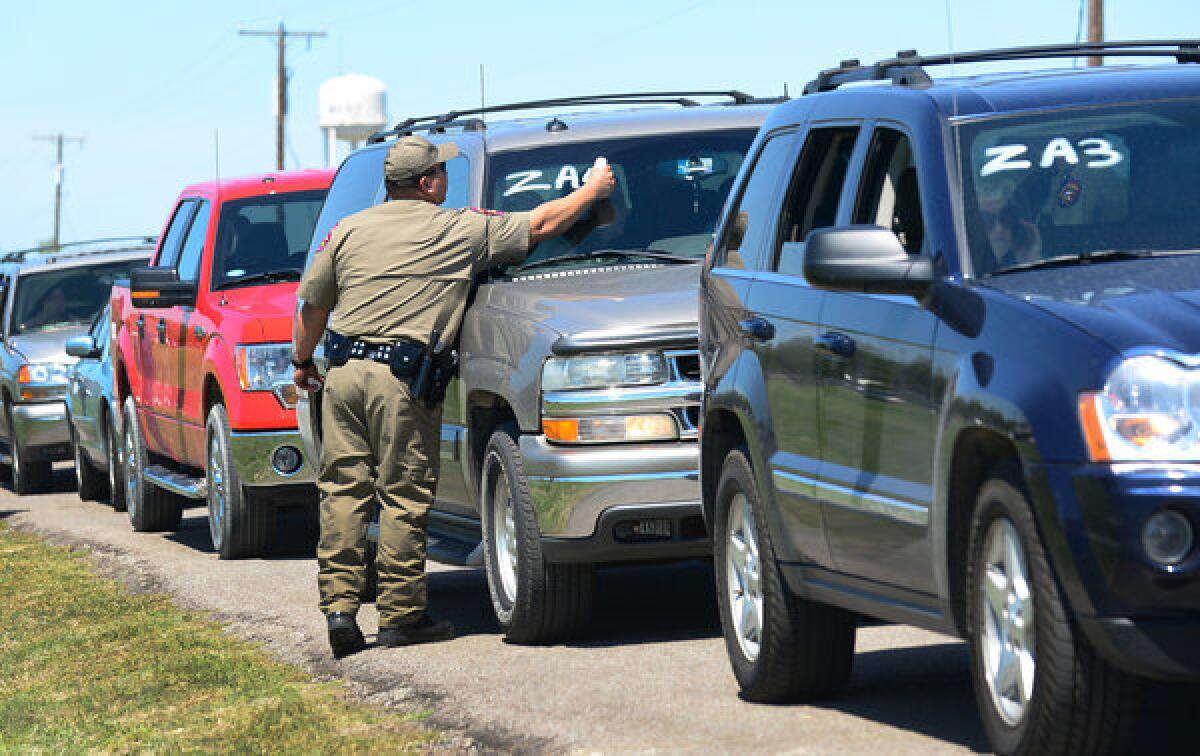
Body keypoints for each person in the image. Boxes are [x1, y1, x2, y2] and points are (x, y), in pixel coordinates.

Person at [292, 134, 615, 658]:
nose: (446, 179)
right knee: (402, 494)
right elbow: (542, 224)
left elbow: (311, 306)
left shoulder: (347, 230)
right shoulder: (455, 229)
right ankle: (401, 617)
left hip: (343, 376)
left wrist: (303, 362)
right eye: (440, 172)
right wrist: (591, 190)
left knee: (344, 493)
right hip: (398, 383)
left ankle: (340, 612)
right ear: (425, 184)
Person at [978, 184, 1042, 272]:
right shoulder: (965, 267)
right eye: (987, 219)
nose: (999, 228)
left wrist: (1030, 260)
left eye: (1006, 217)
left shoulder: (1049, 262)